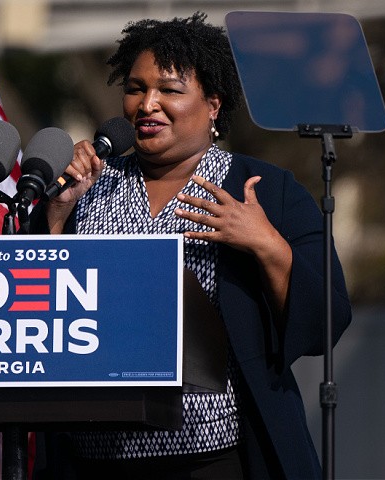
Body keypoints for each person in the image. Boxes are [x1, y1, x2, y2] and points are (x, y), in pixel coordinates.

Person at [30, 12, 352, 480]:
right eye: (136, 88)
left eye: (170, 90)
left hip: (219, 460)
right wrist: (57, 213)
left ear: (214, 104)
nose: (148, 104)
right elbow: (32, 301)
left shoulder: (265, 190)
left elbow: (327, 320)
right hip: (92, 459)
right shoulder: (90, 188)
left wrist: (268, 246)